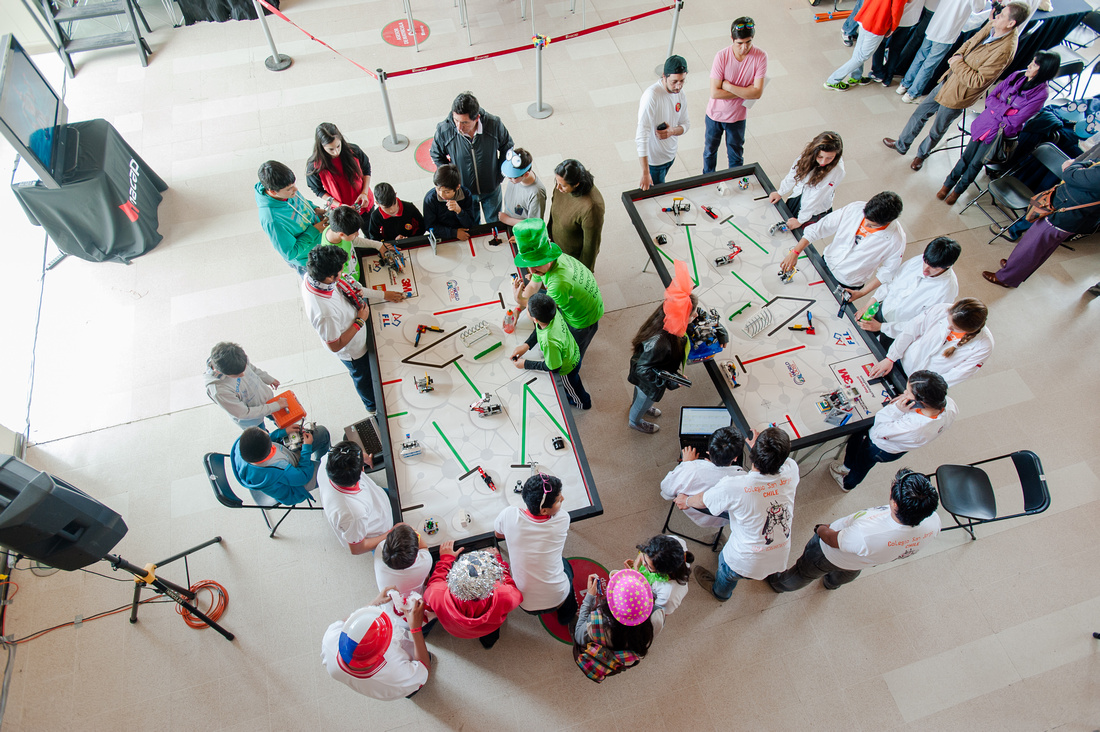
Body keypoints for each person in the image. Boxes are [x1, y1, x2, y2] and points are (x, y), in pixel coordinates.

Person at [884, 3, 1027, 171]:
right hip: (949, 81)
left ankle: (921, 155)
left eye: (1002, 15)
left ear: (1011, 23)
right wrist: (958, 55)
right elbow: (970, 42)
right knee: (920, 112)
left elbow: (978, 81)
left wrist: (957, 63)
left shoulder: (1005, 50)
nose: (997, 16)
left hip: (960, 93)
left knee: (938, 128)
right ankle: (902, 144)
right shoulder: (993, 25)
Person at [767, 468, 941, 592]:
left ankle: (779, 584)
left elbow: (833, 541)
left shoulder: (867, 535)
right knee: (846, 573)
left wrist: (821, 529)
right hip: (862, 560)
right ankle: (831, 584)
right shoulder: (933, 522)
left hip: (829, 554)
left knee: (802, 573)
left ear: (895, 503)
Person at [675, 427, 798, 600]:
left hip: (742, 560)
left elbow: (704, 500)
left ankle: (720, 593)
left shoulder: (734, 486)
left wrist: (686, 501)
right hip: (779, 555)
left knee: (727, 574)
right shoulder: (792, 469)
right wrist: (763, 451)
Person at [939, 52, 1059, 205]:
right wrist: (1007, 110)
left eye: (1035, 64)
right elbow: (990, 98)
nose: (1029, 65)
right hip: (985, 124)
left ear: (1044, 70)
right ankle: (948, 184)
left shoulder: (1041, 94)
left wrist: (998, 109)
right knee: (966, 156)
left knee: (976, 163)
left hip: (1000, 133)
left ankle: (957, 191)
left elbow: (1016, 120)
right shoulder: (1017, 75)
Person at [302, 245, 404, 414]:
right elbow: (334, 345)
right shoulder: (323, 312)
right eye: (340, 272)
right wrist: (359, 321)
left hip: (358, 326)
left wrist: (383, 295)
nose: (343, 274)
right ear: (329, 277)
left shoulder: (314, 276)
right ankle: (372, 407)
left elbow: (351, 287)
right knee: (363, 378)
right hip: (354, 351)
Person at [983, 154, 1100, 288]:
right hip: (1069, 211)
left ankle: (1006, 278)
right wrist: (1083, 165)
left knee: (1031, 248)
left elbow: (1070, 174)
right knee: (1037, 247)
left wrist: (1075, 165)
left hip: (1065, 214)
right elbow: (1093, 162)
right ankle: (1015, 269)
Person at [829, 370, 957, 491]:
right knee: (856, 445)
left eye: (908, 392)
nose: (904, 394)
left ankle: (847, 484)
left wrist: (897, 409)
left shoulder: (914, 427)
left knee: (861, 465)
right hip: (895, 445)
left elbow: (880, 430)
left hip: (879, 447)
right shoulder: (948, 405)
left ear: (921, 401)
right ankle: (847, 466)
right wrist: (909, 400)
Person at [512, 218, 604, 361]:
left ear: (545, 256)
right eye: (528, 264)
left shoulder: (559, 283)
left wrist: (521, 300)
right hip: (575, 299)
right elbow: (533, 286)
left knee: (572, 353)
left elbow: (539, 318)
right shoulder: (547, 260)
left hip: (583, 320)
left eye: (535, 263)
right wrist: (519, 307)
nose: (531, 270)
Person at [779, 192, 905, 294]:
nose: (865, 224)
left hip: (847, 282)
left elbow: (888, 272)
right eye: (865, 218)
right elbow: (822, 227)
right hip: (826, 261)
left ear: (887, 222)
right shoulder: (856, 208)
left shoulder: (896, 240)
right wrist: (795, 252)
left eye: (872, 225)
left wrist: (862, 293)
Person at [494, 473, 577, 624]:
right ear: (544, 511)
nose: (563, 499)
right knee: (565, 565)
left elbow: (498, 535)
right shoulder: (563, 519)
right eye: (559, 500)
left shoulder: (509, 515)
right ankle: (567, 617)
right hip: (558, 596)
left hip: (524, 603)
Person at [320, 588, 431, 700]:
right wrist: (415, 628)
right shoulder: (396, 675)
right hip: (399, 685)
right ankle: (411, 690)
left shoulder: (330, 638)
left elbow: (349, 622)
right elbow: (424, 669)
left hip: (372, 686)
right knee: (417, 676)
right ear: (383, 652)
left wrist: (374, 603)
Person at [626, 261, 695, 434]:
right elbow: (643, 370)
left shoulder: (667, 323)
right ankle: (635, 421)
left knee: (641, 400)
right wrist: (669, 380)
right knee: (644, 401)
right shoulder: (661, 343)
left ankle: (639, 407)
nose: (696, 316)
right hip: (649, 385)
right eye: (692, 314)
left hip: (648, 379)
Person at [855, 237, 961, 348]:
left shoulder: (947, 290)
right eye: (925, 261)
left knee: (878, 352)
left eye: (933, 268)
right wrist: (869, 304)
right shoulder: (918, 261)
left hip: (900, 331)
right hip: (883, 311)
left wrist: (882, 327)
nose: (925, 269)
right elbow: (892, 284)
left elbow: (922, 323)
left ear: (947, 266)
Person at [429, 92, 514, 223]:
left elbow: (507, 147)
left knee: (494, 223)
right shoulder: (445, 130)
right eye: (455, 120)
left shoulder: (494, 124)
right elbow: (436, 154)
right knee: (472, 225)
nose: (459, 127)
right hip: (464, 191)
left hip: (491, 188)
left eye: (464, 123)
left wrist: (499, 175)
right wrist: (451, 178)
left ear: (477, 118)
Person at [869, 297, 993, 386]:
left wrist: (919, 391)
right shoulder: (941, 310)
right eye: (948, 322)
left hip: (924, 383)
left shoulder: (984, 345)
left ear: (970, 330)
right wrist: (890, 358)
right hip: (903, 360)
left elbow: (958, 375)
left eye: (955, 328)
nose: (948, 328)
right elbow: (910, 331)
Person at [422, 542, 522, 649]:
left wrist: (446, 559)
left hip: (456, 630)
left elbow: (436, 580)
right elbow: (516, 594)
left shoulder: (436, 592)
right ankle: (487, 644)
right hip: (489, 627)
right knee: (491, 635)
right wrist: (498, 561)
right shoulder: (504, 594)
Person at [703, 17, 767, 173]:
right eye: (739, 43)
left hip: (737, 118)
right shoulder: (721, 56)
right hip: (714, 116)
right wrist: (745, 90)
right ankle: (707, 182)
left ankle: (735, 184)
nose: (744, 48)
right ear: (732, 39)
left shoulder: (760, 57)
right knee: (710, 152)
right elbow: (715, 92)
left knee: (736, 156)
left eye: (748, 42)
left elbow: (757, 93)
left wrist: (728, 85)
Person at [511, 292, 591, 409]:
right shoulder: (553, 312)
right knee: (573, 382)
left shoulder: (549, 341)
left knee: (572, 386)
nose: (526, 310)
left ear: (535, 319)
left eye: (527, 310)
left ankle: (583, 402)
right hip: (572, 350)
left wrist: (525, 364)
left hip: (567, 368)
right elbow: (539, 330)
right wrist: (526, 345)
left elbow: (553, 367)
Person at [573, 569, 655, 683]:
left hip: (594, 654)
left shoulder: (595, 624)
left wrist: (589, 597)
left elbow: (578, 636)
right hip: (611, 663)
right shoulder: (645, 632)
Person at [897, 0, 986, 102]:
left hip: (935, 25)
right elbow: (978, 8)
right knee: (929, 65)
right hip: (946, 32)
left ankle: (904, 85)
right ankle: (912, 94)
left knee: (920, 57)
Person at [659, 426, 746, 529]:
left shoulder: (691, 469)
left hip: (694, 512)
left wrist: (686, 463)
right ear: (735, 458)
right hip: (720, 520)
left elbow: (666, 489)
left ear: (708, 451)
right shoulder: (742, 478)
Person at [318, 441, 395, 554]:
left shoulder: (328, 460)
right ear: (362, 470)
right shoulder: (353, 514)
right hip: (381, 533)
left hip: (377, 497)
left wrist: (361, 456)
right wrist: (391, 533)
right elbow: (358, 548)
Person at [230, 423, 331, 504]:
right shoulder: (276, 469)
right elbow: (303, 477)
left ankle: (320, 459)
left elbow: (269, 437)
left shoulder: (241, 444)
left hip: (288, 465)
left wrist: (282, 432)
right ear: (271, 450)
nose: (269, 435)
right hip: (297, 483)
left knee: (322, 433)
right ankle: (323, 465)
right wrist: (306, 449)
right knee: (331, 468)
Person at [255, 160, 325, 275]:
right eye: (290, 188)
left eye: (294, 185)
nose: (296, 190)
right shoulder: (272, 220)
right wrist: (315, 230)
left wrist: (316, 210)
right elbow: (290, 253)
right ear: (273, 191)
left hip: (321, 243)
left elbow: (302, 202)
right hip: (308, 260)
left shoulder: (286, 190)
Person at [823, 0, 907, 92]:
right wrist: (893, 27)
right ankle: (833, 81)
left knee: (858, 51)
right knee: (861, 57)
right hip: (877, 23)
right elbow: (897, 9)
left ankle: (856, 76)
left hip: (866, 15)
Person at [768, 131, 846, 231]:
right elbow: (794, 172)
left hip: (814, 209)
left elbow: (816, 197)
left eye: (829, 158)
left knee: (796, 233)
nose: (823, 162)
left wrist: (800, 220)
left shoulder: (837, 171)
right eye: (820, 157)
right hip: (799, 195)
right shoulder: (809, 154)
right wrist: (780, 192)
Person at [637, 55, 691, 190]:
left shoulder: (680, 93)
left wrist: (672, 131)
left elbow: (686, 124)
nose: (678, 86)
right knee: (656, 196)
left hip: (670, 156)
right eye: (674, 81)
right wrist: (645, 173)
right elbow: (641, 135)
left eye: (682, 81)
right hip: (655, 163)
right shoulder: (651, 97)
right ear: (664, 76)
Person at [204, 341, 286, 429]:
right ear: (220, 372)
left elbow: (252, 368)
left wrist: (268, 379)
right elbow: (244, 413)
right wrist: (276, 406)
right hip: (251, 418)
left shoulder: (235, 357)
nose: (243, 375)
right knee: (263, 436)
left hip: (265, 400)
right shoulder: (218, 390)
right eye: (238, 375)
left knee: (282, 420)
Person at [547, 159, 605, 272]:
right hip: (557, 246)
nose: (558, 188)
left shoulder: (592, 207)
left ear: (576, 184)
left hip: (573, 257)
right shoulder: (561, 185)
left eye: (562, 186)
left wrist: (583, 273)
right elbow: (554, 210)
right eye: (556, 182)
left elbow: (591, 246)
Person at [306, 123, 373, 215]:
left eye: (338, 146)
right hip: (341, 211)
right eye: (331, 149)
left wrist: (364, 193)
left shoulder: (354, 151)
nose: (336, 152)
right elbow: (317, 190)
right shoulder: (315, 166)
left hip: (364, 202)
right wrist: (339, 205)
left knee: (369, 228)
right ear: (321, 147)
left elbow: (366, 170)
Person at [320, 206, 402, 281]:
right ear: (341, 234)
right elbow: (345, 284)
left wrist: (378, 245)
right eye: (355, 233)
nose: (358, 235)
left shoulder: (334, 228)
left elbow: (353, 241)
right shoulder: (332, 258)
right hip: (354, 282)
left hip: (358, 268)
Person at [624, 535, 692, 616]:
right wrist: (636, 568)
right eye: (645, 558)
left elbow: (658, 613)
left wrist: (638, 588)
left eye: (649, 566)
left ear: (664, 572)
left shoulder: (669, 595)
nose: (643, 563)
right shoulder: (672, 543)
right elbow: (646, 554)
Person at [870, 0, 928, 87]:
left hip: (896, 17)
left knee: (880, 43)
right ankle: (888, 77)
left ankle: (878, 72)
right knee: (896, 49)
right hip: (911, 19)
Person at [375, 523, 433, 597]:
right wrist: (416, 534)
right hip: (415, 600)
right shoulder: (425, 562)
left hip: (389, 602)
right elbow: (424, 548)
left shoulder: (379, 548)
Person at [423, 164, 477, 241]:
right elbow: (430, 227)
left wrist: (459, 211)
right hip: (443, 236)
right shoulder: (430, 199)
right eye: (438, 189)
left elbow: (470, 223)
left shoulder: (466, 194)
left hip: (464, 234)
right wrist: (454, 233)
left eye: (447, 192)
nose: (442, 194)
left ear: (457, 187)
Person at [498, 147, 547, 227]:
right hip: (509, 223)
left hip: (522, 231)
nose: (509, 179)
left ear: (526, 174)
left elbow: (535, 224)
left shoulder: (536, 193)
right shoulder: (515, 179)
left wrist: (507, 220)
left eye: (513, 177)